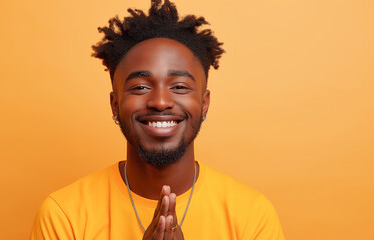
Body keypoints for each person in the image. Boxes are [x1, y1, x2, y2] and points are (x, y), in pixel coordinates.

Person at [30, 0, 285, 239]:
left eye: (180, 87)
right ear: (115, 105)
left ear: (204, 104)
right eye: (140, 87)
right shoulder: (63, 215)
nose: (160, 101)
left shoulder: (252, 216)